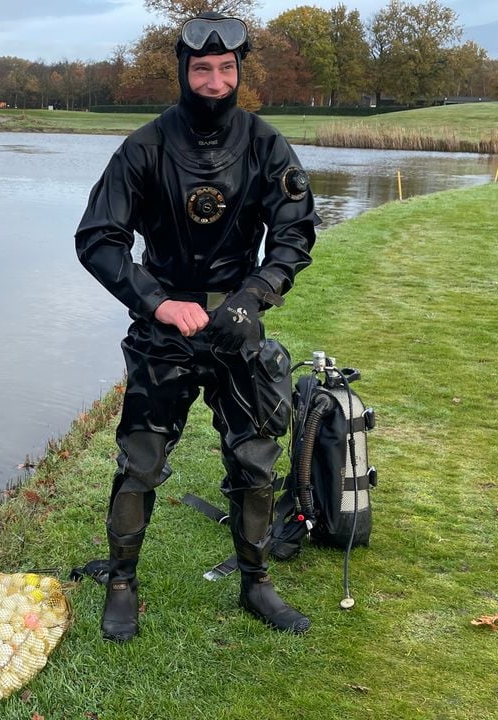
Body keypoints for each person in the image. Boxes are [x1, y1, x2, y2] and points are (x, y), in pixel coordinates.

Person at [74, 12, 319, 640]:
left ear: (239, 71)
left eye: (226, 69)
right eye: (202, 69)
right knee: (141, 458)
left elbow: (294, 234)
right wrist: (157, 302)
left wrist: (255, 295)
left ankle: (256, 582)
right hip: (165, 327)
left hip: (236, 322)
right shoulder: (145, 148)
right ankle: (122, 583)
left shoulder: (265, 144)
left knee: (255, 457)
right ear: (183, 71)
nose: (214, 81)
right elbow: (98, 238)